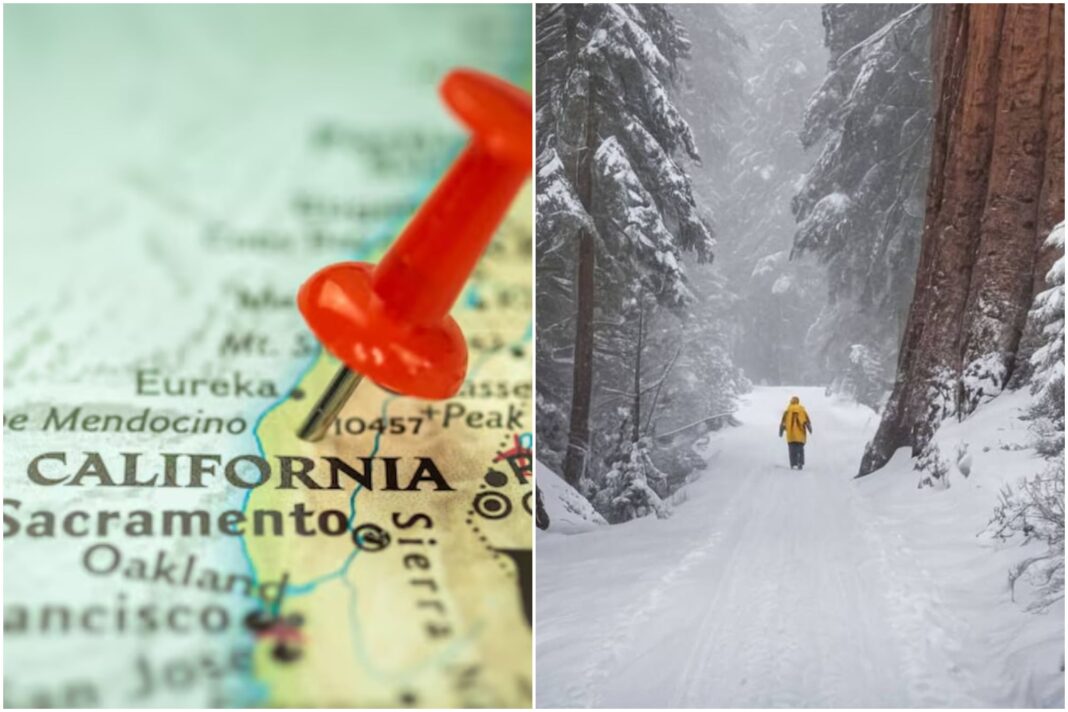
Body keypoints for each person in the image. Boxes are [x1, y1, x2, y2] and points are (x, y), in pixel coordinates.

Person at [778, 395, 813, 470]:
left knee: (792, 449)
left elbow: (783, 422)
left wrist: (781, 432)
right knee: (800, 449)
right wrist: (810, 429)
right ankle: (800, 462)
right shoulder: (802, 410)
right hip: (800, 435)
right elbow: (807, 421)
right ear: (798, 401)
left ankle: (793, 463)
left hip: (791, 435)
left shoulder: (787, 410)